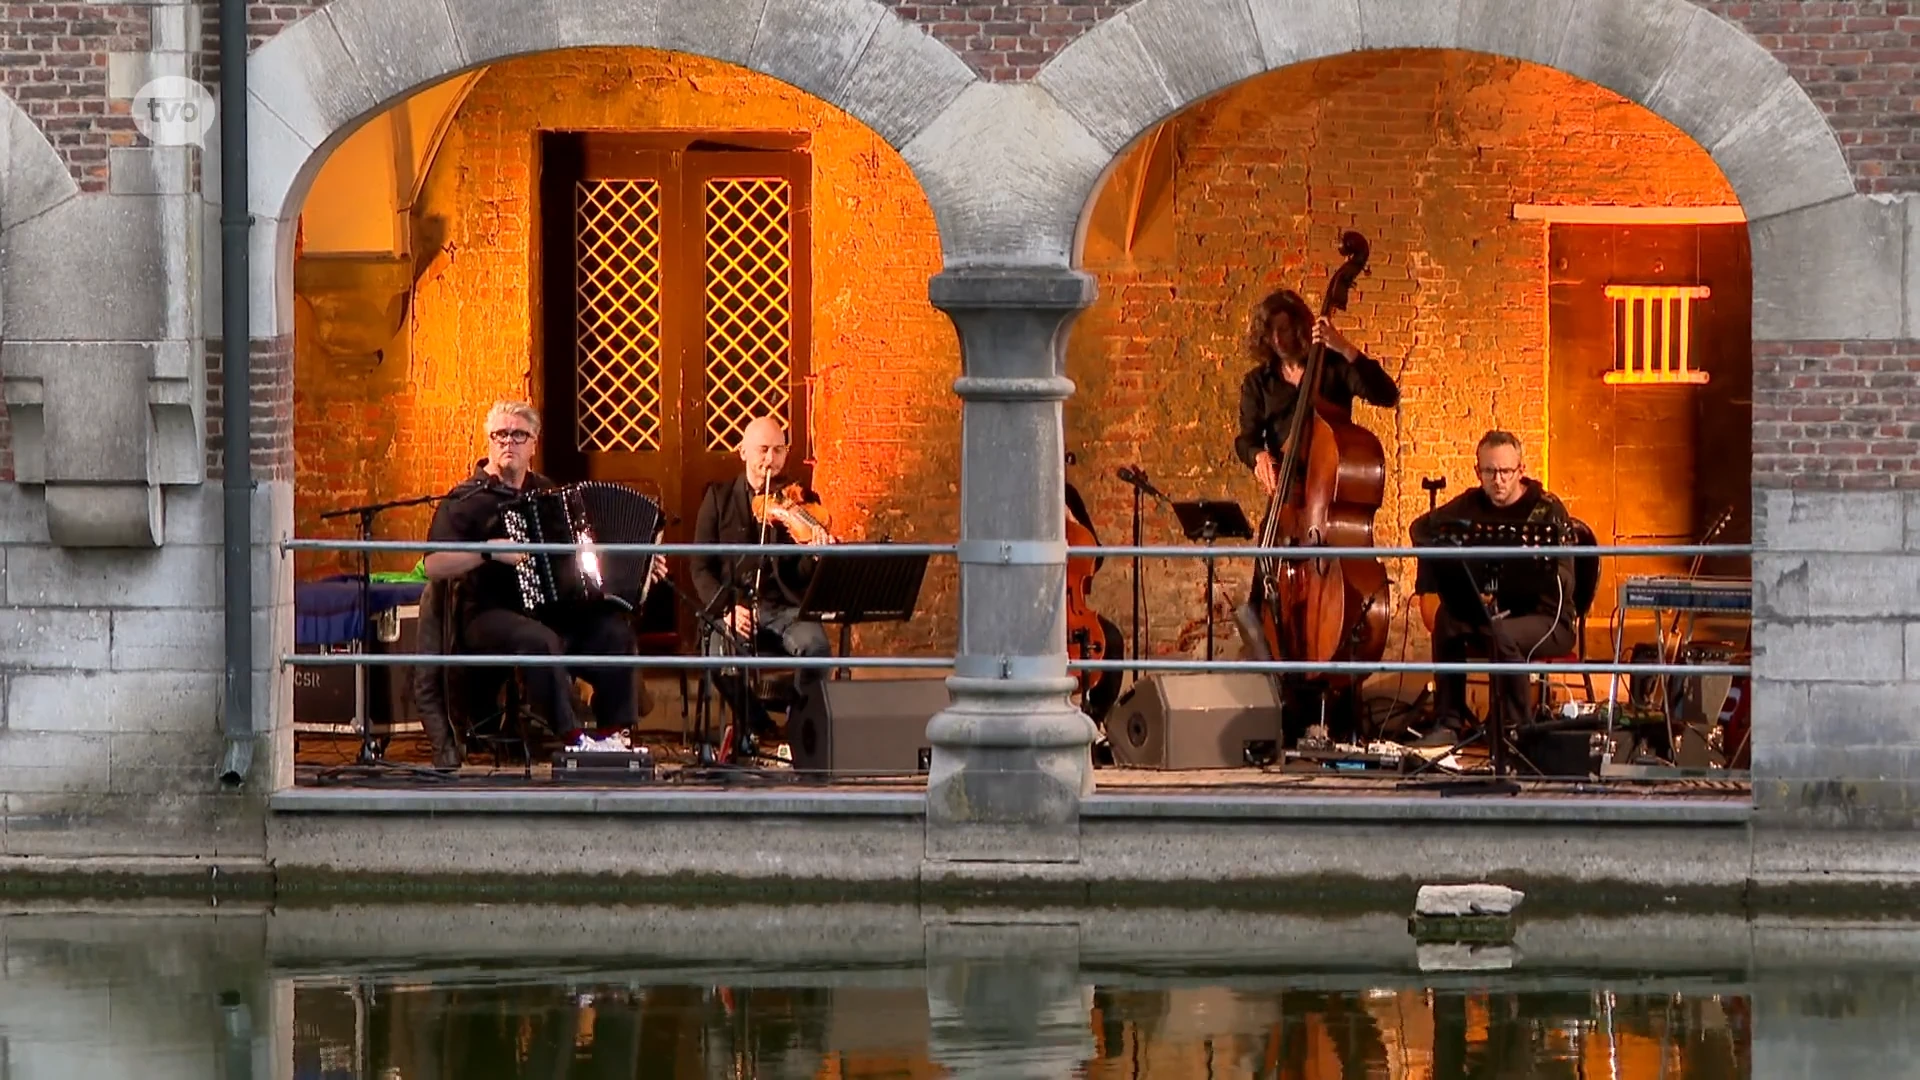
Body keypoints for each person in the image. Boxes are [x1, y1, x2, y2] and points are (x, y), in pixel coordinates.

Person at [422, 400, 666, 748]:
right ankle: (573, 738)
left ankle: (614, 736)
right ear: (489, 441)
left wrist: (640, 569)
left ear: (534, 443)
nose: (509, 442)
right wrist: (488, 550)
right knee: (541, 641)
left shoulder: (549, 492)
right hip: (485, 614)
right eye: (501, 434)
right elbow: (432, 565)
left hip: (551, 612)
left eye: (519, 435)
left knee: (614, 633)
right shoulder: (466, 499)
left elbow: (585, 556)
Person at [1408, 430, 1577, 747]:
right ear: (1478, 472)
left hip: (1547, 619)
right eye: (1489, 472)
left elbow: (1566, 582)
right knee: (1448, 619)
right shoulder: (1470, 504)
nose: (1498, 480)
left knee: (1502, 633)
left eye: (1505, 472)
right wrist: (1431, 588)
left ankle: (1513, 730)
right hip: (1493, 613)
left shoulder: (1547, 509)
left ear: (1521, 470)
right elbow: (1421, 528)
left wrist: (1537, 567)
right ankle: (1447, 722)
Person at [691, 416, 834, 745]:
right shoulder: (718, 498)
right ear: (743, 452)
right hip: (736, 607)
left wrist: (814, 556)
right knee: (718, 658)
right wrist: (727, 609)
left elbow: (800, 576)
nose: (770, 459)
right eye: (763, 450)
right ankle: (760, 725)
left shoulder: (799, 501)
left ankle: (797, 723)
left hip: (784, 607)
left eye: (778, 450)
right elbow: (700, 567)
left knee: (817, 648)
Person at [1234, 287, 1401, 497]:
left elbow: (1387, 395)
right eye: (1270, 333)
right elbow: (1246, 440)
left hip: (1331, 494)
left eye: (1284, 329)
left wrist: (1344, 348)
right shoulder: (1257, 382)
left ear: (1299, 328)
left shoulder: (1333, 366)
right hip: (1287, 498)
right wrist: (1258, 455)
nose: (1277, 340)